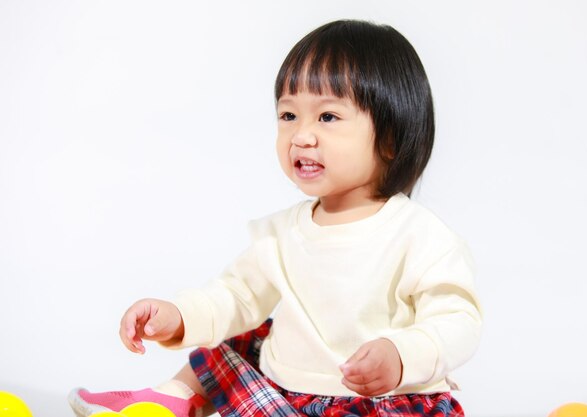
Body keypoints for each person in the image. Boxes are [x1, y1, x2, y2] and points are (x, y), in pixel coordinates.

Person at [68, 19, 483, 417]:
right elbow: (235, 296)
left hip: (382, 403)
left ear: (390, 139)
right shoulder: (279, 234)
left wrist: (402, 355)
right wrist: (178, 316)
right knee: (234, 339)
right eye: (288, 116)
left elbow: (457, 322)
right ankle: (171, 400)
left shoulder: (418, 235)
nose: (301, 135)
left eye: (327, 117)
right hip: (285, 398)